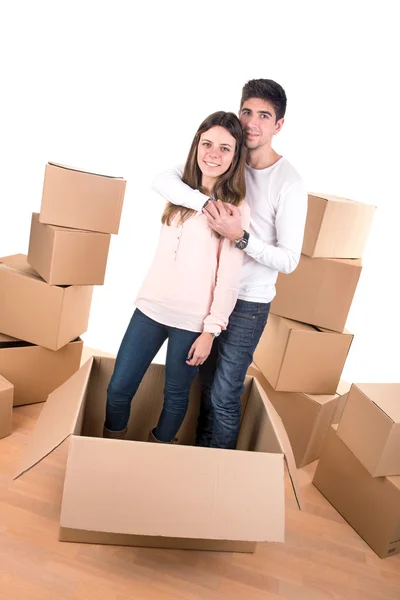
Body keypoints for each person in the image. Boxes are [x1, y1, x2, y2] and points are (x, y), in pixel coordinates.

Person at [152, 78, 308, 449]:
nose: (252, 123)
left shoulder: (289, 183)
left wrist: (240, 236)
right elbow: (163, 180)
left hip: (249, 303)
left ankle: (219, 472)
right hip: (208, 294)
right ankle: (202, 459)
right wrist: (204, 204)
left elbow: (289, 260)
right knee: (203, 385)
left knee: (224, 393)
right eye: (247, 112)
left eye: (264, 116)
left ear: (279, 125)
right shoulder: (226, 156)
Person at [104, 111, 250, 443]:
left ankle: (156, 456)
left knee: (175, 397)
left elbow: (229, 278)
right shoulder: (179, 189)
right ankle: (107, 453)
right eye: (207, 143)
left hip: (192, 321)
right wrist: (205, 200)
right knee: (118, 389)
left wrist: (211, 332)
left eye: (225, 148)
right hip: (150, 308)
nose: (213, 154)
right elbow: (158, 178)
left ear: (236, 155)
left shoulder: (236, 209)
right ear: (196, 145)